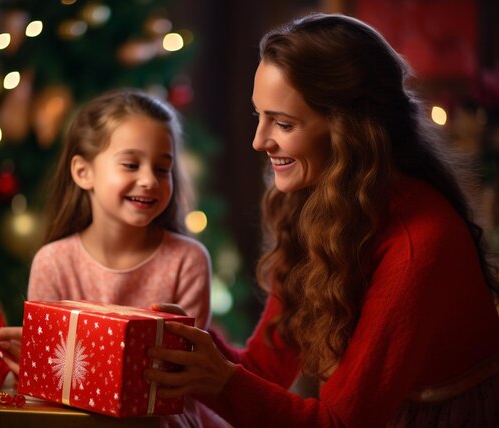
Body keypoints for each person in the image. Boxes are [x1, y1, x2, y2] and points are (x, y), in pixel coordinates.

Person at [143, 13, 499, 427]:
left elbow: (338, 423)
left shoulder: (419, 243)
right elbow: (263, 368)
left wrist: (221, 381)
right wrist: (193, 346)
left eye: (284, 123)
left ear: (350, 130)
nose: (259, 141)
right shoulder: (316, 202)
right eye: (259, 115)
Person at [0, 88, 215, 426]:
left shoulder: (188, 259)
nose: (148, 180)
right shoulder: (53, 261)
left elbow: (182, 378)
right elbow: (50, 379)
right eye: (130, 164)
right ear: (84, 172)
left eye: (162, 168)